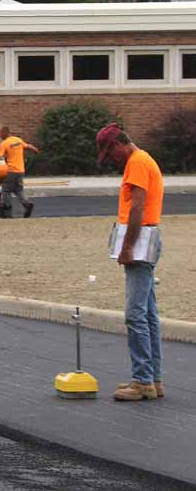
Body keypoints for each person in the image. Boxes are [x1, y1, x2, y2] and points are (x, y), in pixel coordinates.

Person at [96, 123, 165, 401]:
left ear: (117, 144)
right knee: (148, 315)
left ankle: (142, 381)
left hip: (139, 241)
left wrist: (126, 246)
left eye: (109, 153)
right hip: (147, 238)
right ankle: (153, 379)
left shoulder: (136, 162)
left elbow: (138, 206)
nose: (111, 159)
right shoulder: (143, 159)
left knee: (135, 315)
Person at [0, 126, 40, 218]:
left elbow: (0, 157)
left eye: (0, 134)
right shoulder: (18, 140)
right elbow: (28, 146)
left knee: (6, 191)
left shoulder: (4, 143)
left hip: (11, 170)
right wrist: (36, 151)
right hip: (21, 170)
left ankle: (7, 212)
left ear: (5, 133)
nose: (0, 136)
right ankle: (27, 204)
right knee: (18, 190)